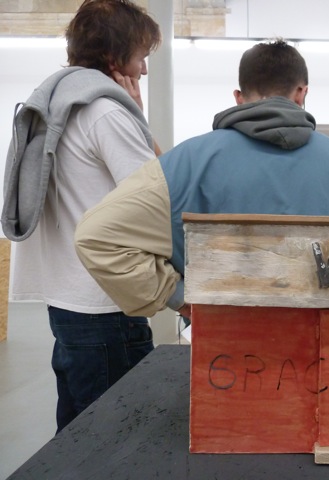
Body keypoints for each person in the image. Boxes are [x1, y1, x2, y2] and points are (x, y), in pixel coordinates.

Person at [74, 39, 329, 321]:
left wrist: (179, 296)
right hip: (322, 339)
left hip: (225, 345)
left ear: (239, 98)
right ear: (301, 93)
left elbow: (96, 237)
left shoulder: (186, 162)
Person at [0, 0, 161, 433]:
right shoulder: (105, 113)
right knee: (116, 441)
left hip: (68, 299)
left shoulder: (56, 103)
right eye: (140, 56)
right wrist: (139, 121)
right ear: (114, 56)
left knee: (74, 438)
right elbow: (157, 196)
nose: (144, 69)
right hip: (107, 302)